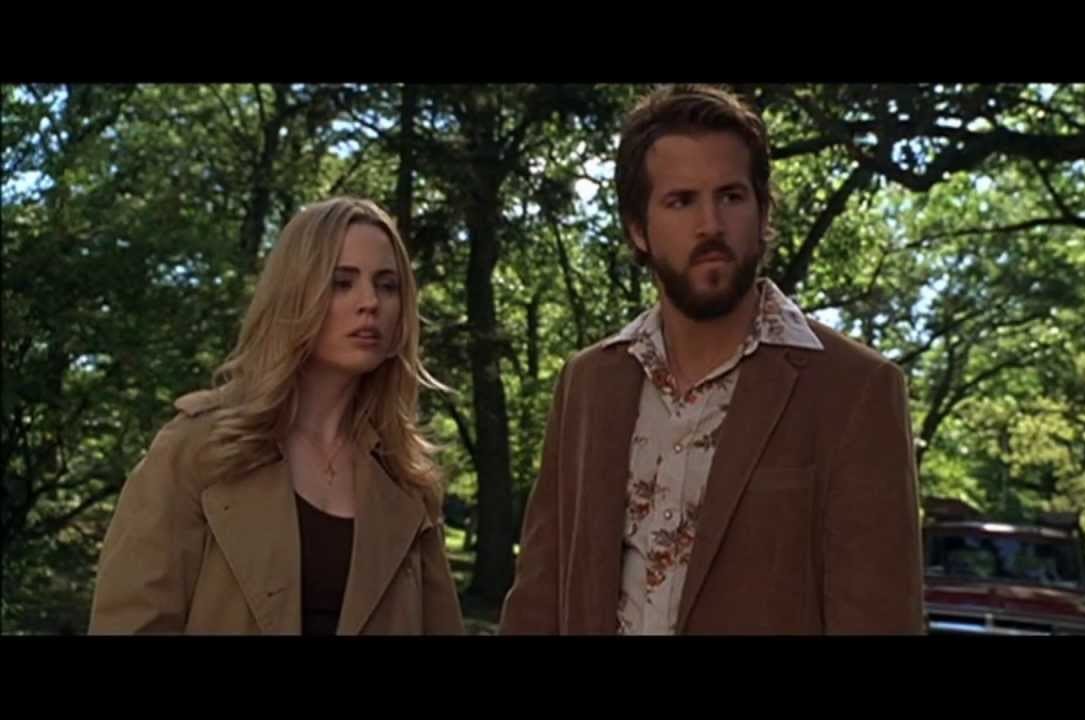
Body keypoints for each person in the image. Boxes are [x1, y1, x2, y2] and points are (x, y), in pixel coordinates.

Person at [500, 85, 923, 634]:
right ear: (637, 229)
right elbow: (538, 598)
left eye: (731, 196)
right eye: (681, 201)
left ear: (762, 211)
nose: (711, 225)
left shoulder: (854, 390)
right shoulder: (588, 384)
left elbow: (880, 619)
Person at [89, 197, 465, 635]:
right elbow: (131, 622)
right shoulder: (200, 450)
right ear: (294, 295)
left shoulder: (405, 478)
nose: (370, 303)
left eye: (387, 286)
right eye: (342, 283)